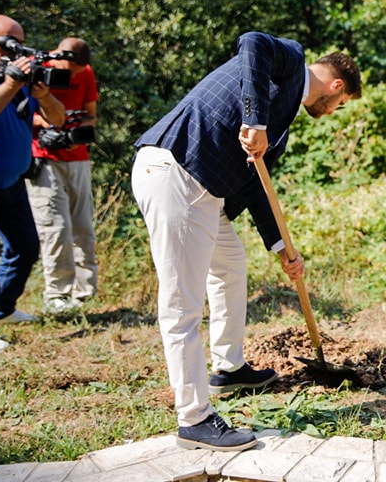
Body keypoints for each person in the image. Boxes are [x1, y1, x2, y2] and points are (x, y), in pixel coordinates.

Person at [131, 31, 361, 452]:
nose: (331, 112)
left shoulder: (285, 120)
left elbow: (259, 190)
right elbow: (251, 42)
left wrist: (282, 250)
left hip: (205, 194)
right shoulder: (291, 60)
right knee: (183, 304)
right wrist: (253, 121)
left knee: (231, 266)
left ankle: (229, 367)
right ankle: (194, 420)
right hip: (177, 172)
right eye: (339, 106)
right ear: (336, 87)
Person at [0, 15, 65, 354]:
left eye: (20, 41)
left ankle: (2, 308)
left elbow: (57, 118)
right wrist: (10, 85)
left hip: (11, 180)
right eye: (7, 42)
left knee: (25, 247)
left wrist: (44, 94)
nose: (15, 50)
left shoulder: (22, 78)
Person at [26, 37, 99, 314]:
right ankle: (57, 294)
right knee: (55, 227)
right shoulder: (36, 69)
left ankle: (86, 292)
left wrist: (75, 135)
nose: (72, 77)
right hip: (43, 158)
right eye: (69, 71)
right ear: (57, 56)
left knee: (83, 227)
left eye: (78, 73)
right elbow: (15, 112)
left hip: (77, 157)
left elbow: (91, 115)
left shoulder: (86, 73)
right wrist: (43, 122)